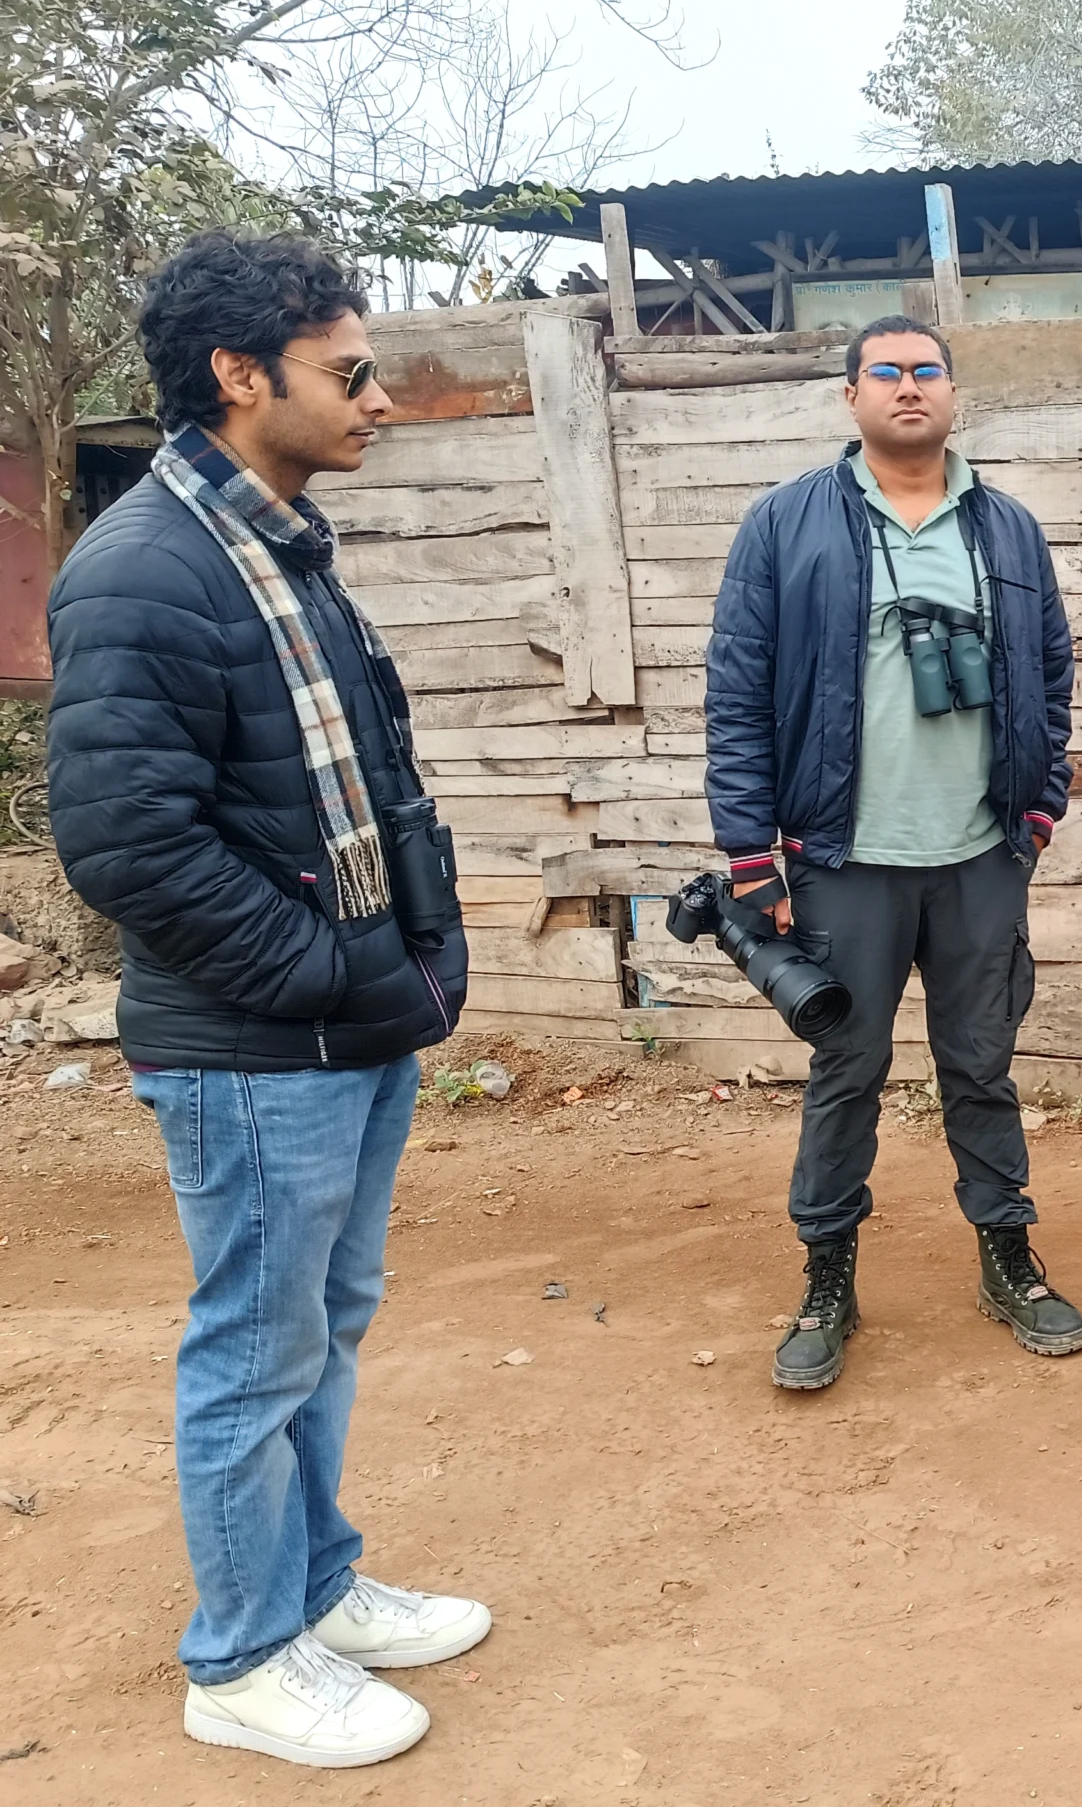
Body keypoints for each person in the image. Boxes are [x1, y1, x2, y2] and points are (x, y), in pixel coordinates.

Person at [47, 230, 486, 1768]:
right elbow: (127, 847)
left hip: (345, 1025)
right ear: (241, 376)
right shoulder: (146, 571)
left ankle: (313, 1589)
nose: (378, 400)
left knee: (322, 1325)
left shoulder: (279, 549)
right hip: (255, 1049)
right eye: (347, 373)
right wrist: (324, 973)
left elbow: (362, 784)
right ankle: (240, 1661)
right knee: (254, 1349)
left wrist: (406, 963)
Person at [706, 313, 1082, 1392]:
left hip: (980, 855)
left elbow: (1050, 676)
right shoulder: (785, 524)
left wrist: (1038, 815)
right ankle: (826, 1277)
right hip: (843, 859)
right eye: (886, 372)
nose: (908, 387)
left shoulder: (1006, 528)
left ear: (953, 393)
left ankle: (1007, 1258)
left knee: (982, 1066)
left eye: (927, 371)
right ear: (852, 396)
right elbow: (736, 693)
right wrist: (750, 857)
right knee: (847, 1070)